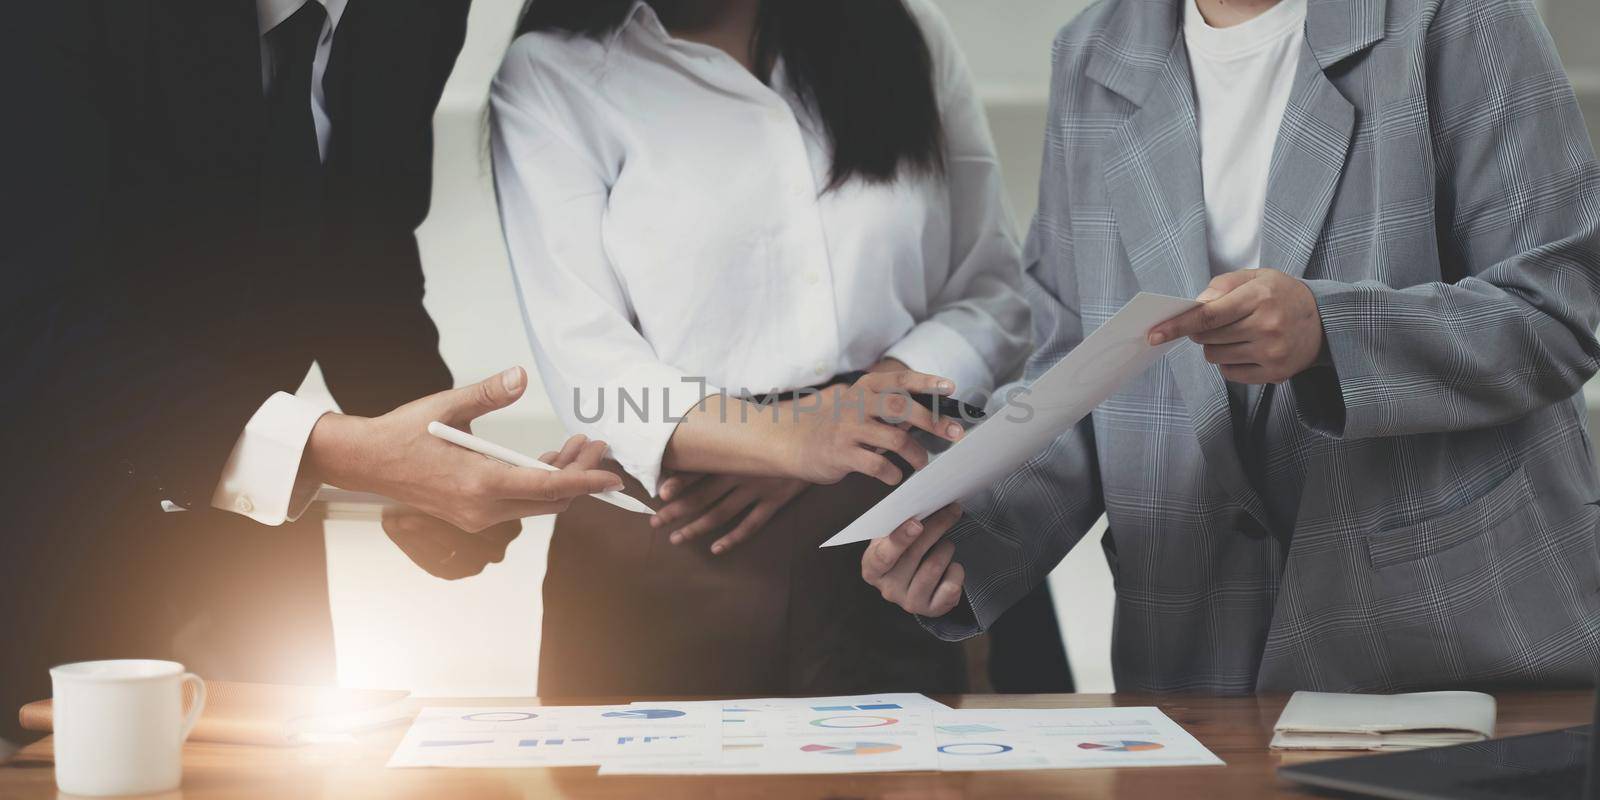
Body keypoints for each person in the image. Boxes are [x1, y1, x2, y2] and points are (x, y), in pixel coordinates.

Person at [863, 0, 1600, 693]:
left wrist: (1329, 333)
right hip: (1192, 654)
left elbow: (1556, 309)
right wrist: (967, 538)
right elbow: (1076, 376)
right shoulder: (1092, 51)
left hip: (1443, 639)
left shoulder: (1461, 17)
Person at [0, 0, 621, 745]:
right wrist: (343, 452)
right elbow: (36, 310)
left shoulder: (414, 15)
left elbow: (363, 254)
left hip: (247, 555)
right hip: (34, 521)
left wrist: (445, 463)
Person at [491, 0, 1032, 696]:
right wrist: (786, 437)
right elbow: (590, 369)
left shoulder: (906, 27)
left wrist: (851, 417)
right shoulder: (550, 72)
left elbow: (994, 291)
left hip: (894, 523)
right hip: (680, 537)